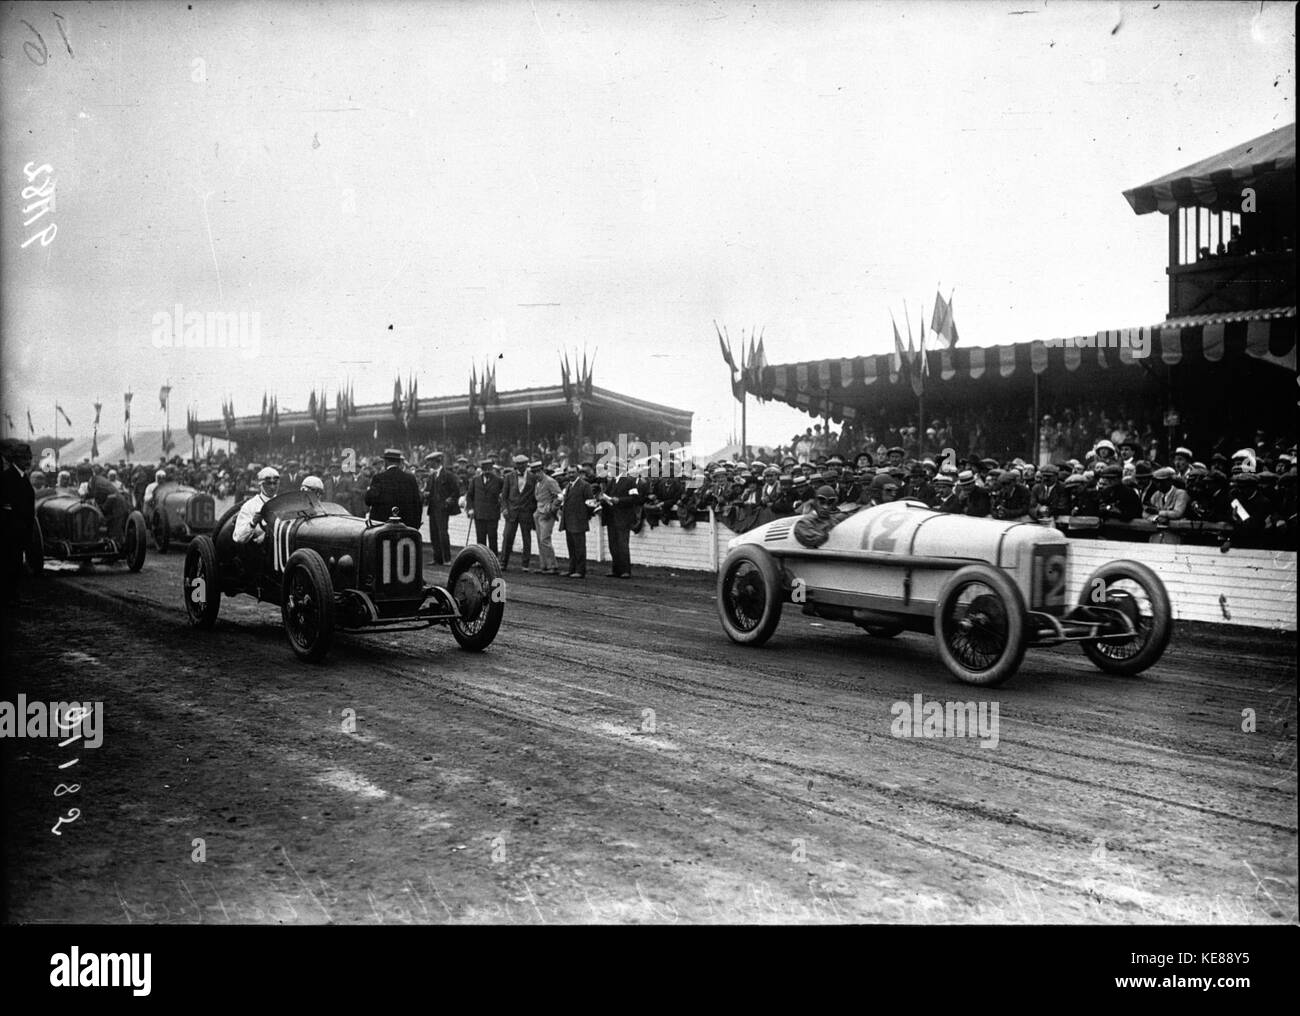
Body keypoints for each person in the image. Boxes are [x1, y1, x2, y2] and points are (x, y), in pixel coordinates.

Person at [1, 441, 36, 606]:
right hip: (11, 529)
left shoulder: (22, 476)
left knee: (15, 561)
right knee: (10, 561)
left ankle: (13, 595)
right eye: (24, 459)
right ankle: (9, 596)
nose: (28, 462)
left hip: (21, 528)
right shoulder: (8, 477)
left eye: (29, 458)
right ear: (15, 460)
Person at [599, 460, 645, 578]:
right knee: (613, 544)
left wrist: (619, 500)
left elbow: (635, 499)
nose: (609, 471)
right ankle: (616, 569)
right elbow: (607, 495)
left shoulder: (629, 481)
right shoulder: (612, 481)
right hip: (611, 517)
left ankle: (625, 570)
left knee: (622, 544)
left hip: (623, 517)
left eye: (610, 468)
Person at [365, 448, 423, 528]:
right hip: (406, 525)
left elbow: (368, 500)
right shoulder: (410, 479)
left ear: (386, 462)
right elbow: (417, 503)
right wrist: (416, 524)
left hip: (382, 525)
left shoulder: (379, 478)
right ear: (399, 462)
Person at [499, 453, 537, 572]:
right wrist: (504, 509)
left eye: (522, 464)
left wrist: (531, 509)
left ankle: (525, 565)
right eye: (518, 464)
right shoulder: (509, 477)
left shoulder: (533, 477)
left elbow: (534, 496)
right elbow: (504, 496)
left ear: (527, 464)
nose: (520, 466)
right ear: (515, 465)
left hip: (526, 512)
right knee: (507, 537)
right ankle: (503, 563)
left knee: (527, 538)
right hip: (511, 512)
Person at [424, 451, 460, 565]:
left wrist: (449, 500)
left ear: (436, 461)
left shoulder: (448, 475)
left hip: (443, 509)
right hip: (433, 508)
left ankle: (447, 558)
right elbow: (429, 491)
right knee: (434, 533)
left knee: (443, 533)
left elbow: (456, 491)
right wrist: (426, 494)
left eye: (430, 461)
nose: (429, 464)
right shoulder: (432, 476)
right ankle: (437, 558)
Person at [558, 466, 594, 577]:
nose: (571, 475)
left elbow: (590, 503)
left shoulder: (585, 485)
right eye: (569, 473)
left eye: (573, 472)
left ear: (578, 473)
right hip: (568, 521)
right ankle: (572, 569)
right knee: (571, 547)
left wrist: (584, 516)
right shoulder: (568, 485)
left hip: (578, 521)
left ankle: (580, 571)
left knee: (579, 547)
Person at [233, 467, 280, 548]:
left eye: (275, 483)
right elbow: (238, 537)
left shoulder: (283, 503)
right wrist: (252, 523)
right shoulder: (250, 506)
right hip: (257, 553)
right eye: (268, 483)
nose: (272, 487)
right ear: (260, 485)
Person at [467, 457, 503, 553]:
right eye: (485, 468)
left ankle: (493, 561)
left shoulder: (499, 481)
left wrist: (501, 502)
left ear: (492, 468)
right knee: (480, 539)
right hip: (479, 514)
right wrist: (470, 508)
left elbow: (504, 495)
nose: (487, 471)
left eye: (489, 468)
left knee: (493, 538)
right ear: (482, 469)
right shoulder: (475, 480)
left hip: (492, 515)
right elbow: (469, 496)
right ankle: (481, 560)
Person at [532, 462, 562, 575]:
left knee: (545, 539)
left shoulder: (550, 481)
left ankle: (552, 566)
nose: (536, 474)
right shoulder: (538, 483)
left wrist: (551, 509)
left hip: (547, 514)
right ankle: (544, 565)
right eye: (534, 472)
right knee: (541, 540)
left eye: (537, 472)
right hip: (539, 513)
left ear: (542, 470)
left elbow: (560, 496)